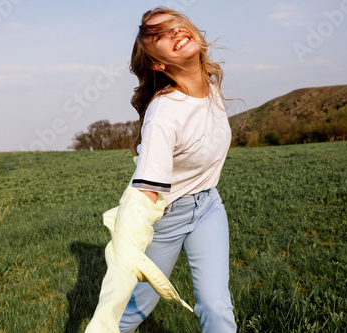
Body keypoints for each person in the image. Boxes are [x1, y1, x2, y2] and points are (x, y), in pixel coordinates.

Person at [86, 7, 237, 333]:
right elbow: (146, 191)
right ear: (157, 63)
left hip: (208, 206)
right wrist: (127, 247)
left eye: (175, 25)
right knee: (133, 310)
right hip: (166, 216)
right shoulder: (164, 112)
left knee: (216, 304)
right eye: (159, 36)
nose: (174, 33)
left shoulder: (211, 85)